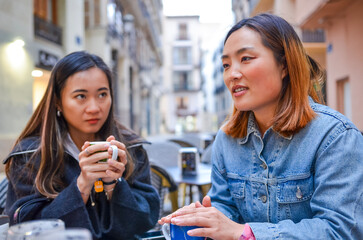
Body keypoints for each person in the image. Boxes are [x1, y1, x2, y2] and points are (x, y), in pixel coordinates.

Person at [159, 13, 363, 239]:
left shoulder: (335, 137)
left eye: (246, 58)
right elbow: (228, 211)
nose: (232, 74)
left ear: (284, 65)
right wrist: (206, 219)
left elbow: (341, 231)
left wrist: (244, 232)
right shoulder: (226, 139)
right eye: (226, 64)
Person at [3, 51, 160, 239]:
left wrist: (114, 185)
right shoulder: (30, 155)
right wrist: (82, 185)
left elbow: (145, 221)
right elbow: (26, 227)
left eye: (102, 94)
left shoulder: (132, 148)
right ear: (58, 102)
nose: (94, 107)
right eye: (80, 96)